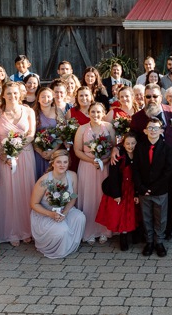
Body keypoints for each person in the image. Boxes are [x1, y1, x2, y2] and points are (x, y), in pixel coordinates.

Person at [0, 81, 36, 246]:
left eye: (15, 93)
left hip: (25, 154)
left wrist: (18, 147)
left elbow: (31, 133)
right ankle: (12, 232)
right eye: (9, 93)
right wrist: (5, 155)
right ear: (3, 95)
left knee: (26, 191)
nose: (12, 96)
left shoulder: (28, 111)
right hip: (5, 158)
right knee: (9, 193)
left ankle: (27, 229)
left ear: (20, 94)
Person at [30, 149, 85, 258]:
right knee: (62, 230)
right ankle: (58, 251)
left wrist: (64, 213)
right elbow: (34, 204)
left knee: (80, 217)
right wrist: (51, 214)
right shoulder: (44, 180)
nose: (62, 165)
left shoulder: (72, 175)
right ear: (53, 163)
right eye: (59, 162)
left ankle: (70, 245)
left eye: (65, 162)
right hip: (46, 213)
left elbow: (73, 198)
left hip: (64, 210)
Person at [132, 118, 172, 257]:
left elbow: (168, 170)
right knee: (146, 216)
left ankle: (159, 241)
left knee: (160, 217)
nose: (153, 130)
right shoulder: (140, 147)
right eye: (150, 128)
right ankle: (149, 241)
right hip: (144, 189)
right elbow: (136, 169)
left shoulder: (166, 148)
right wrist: (141, 187)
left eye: (156, 128)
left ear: (161, 131)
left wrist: (155, 187)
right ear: (145, 131)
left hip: (160, 190)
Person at [74, 102, 115, 244]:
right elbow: (77, 150)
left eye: (98, 112)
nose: (95, 115)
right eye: (92, 112)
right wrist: (92, 161)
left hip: (105, 167)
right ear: (88, 113)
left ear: (103, 113)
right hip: (87, 166)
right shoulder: (82, 128)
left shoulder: (109, 127)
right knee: (89, 198)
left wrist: (104, 161)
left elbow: (114, 148)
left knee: (102, 198)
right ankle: (89, 231)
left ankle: (103, 230)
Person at [97, 133, 137, 251]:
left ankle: (133, 234)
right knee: (121, 214)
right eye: (128, 143)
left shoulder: (138, 155)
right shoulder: (119, 157)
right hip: (121, 189)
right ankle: (123, 237)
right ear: (123, 144)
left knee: (132, 213)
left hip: (132, 188)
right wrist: (116, 194)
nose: (130, 146)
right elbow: (113, 176)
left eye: (133, 143)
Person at [33, 87, 62, 178]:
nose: (46, 99)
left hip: (55, 152)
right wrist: (41, 151)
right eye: (43, 97)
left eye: (49, 97)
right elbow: (30, 135)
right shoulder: (33, 113)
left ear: (52, 98)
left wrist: (53, 151)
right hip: (38, 152)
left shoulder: (58, 111)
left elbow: (63, 133)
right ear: (38, 99)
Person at [66, 86, 93, 172]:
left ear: (91, 97)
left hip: (92, 151)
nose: (84, 98)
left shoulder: (96, 112)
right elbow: (64, 130)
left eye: (86, 95)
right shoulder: (71, 112)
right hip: (74, 151)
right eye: (81, 95)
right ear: (77, 97)